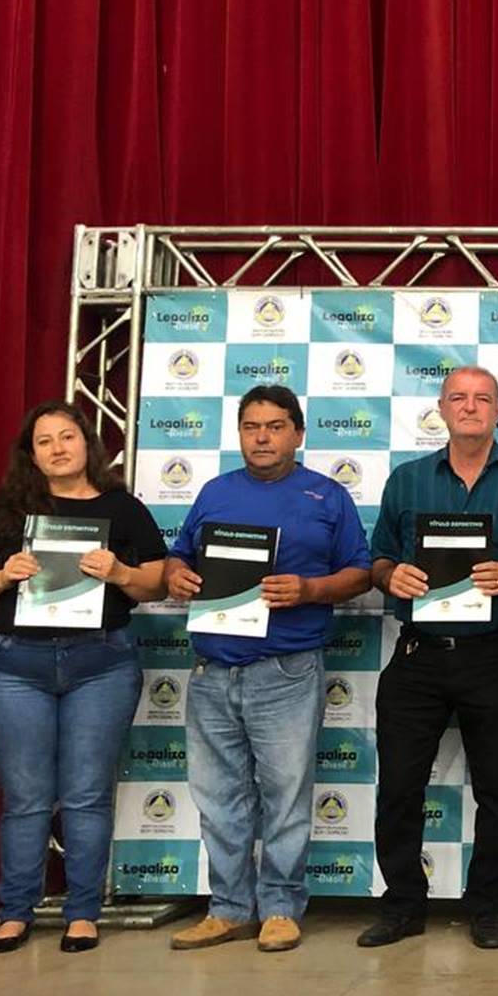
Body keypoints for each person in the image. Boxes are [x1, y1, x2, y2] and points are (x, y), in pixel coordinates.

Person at [162, 386, 372, 953]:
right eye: (251, 426)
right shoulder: (215, 491)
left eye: (275, 426)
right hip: (212, 671)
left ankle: (280, 907)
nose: (262, 437)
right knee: (217, 800)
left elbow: (360, 573)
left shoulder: (327, 496)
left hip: (286, 670)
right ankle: (228, 908)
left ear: (298, 434)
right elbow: (180, 555)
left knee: (285, 798)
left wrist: (309, 589)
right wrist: (176, 573)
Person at [0, 401, 167, 953]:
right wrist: (3, 575)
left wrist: (120, 571)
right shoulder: (8, 510)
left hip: (101, 665)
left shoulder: (123, 508)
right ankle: (14, 912)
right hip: (13, 667)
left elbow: (157, 583)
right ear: (31, 455)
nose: (57, 448)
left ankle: (83, 913)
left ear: (87, 444)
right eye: (44, 441)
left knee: (86, 794)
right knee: (25, 797)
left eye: (67, 436)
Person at [359, 366, 498, 951]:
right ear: (442, 408)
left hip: (493, 656)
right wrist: (391, 575)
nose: (470, 407)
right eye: (458, 398)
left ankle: (487, 908)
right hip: (417, 655)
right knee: (399, 788)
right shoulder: (407, 480)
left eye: (482, 398)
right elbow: (378, 559)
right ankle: (402, 906)